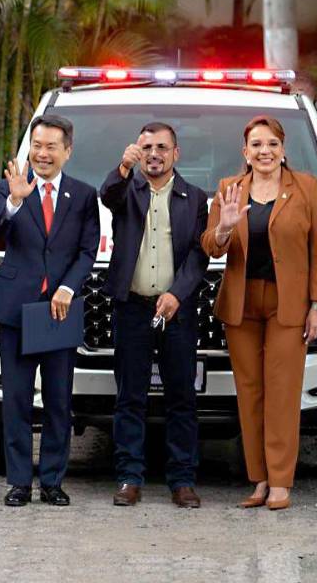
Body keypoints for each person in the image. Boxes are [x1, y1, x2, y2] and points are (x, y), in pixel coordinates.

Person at [202, 116, 317, 511]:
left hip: (288, 304)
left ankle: (280, 481)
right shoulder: (229, 190)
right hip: (241, 305)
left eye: (272, 144)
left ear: (283, 149)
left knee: (282, 392)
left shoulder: (306, 188)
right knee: (250, 393)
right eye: (257, 144)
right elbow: (211, 246)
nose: (265, 151)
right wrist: (224, 227)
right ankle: (258, 480)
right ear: (245, 152)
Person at [0, 115, 99, 507]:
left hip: (58, 313)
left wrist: (67, 288)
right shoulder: (8, 187)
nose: (42, 153)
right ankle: (19, 481)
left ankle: (52, 480)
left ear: (67, 151)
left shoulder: (83, 196)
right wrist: (15, 202)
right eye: (36, 145)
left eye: (51, 146)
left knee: (58, 401)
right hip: (17, 309)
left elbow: (87, 250)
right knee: (15, 399)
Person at [99, 122, 209, 508]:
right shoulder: (126, 189)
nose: (154, 154)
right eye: (146, 147)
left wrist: (178, 294)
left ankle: (182, 480)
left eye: (162, 147)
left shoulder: (193, 198)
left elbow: (199, 254)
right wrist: (122, 167)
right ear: (137, 151)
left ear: (176, 153)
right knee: (130, 396)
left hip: (176, 312)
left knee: (182, 397)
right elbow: (107, 194)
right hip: (133, 307)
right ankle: (130, 476)